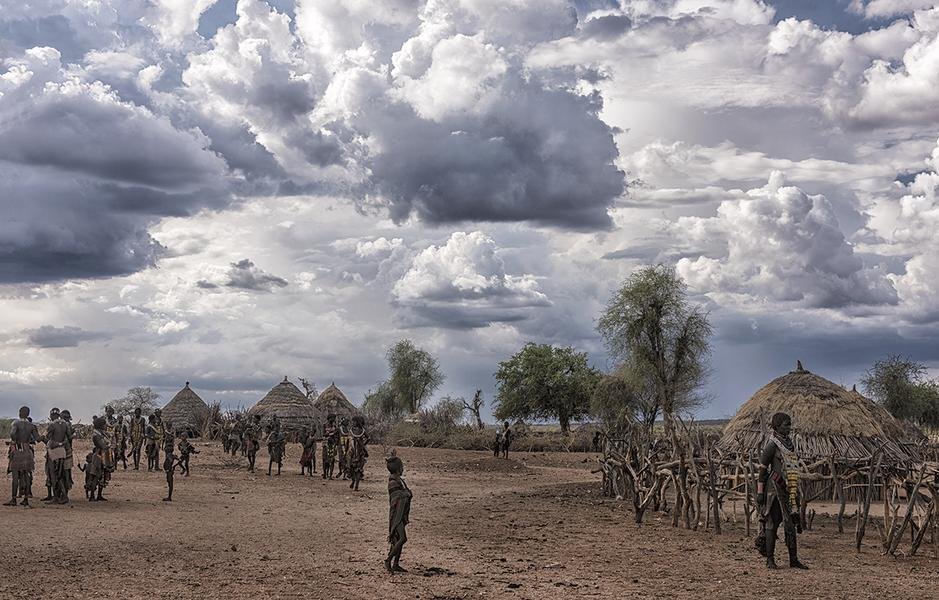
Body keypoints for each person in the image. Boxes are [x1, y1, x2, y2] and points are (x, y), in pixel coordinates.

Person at [757, 412, 808, 570]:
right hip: (775, 491)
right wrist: (760, 493)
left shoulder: (789, 444)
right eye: (786, 424)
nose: (789, 427)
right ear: (777, 426)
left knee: (790, 524)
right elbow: (762, 471)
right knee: (772, 524)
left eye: (790, 424)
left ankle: (793, 559)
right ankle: (770, 560)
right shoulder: (772, 445)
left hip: (789, 491)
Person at [5, 406, 39, 506]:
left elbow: (12, 434)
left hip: (18, 450)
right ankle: (26, 499)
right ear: (28, 414)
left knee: (15, 476)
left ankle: (14, 499)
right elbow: (37, 438)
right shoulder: (31, 425)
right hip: (27, 451)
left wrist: (14, 441)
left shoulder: (15, 423)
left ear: (20, 413)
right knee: (26, 475)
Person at [384, 454, 412, 573]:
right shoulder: (393, 481)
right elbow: (397, 497)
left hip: (401, 513)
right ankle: (388, 559)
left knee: (397, 539)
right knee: (402, 538)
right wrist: (407, 494)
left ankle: (395, 564)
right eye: (402, 466)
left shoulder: (398, 480)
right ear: (398, 469)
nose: (403, 468)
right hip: (396, 515)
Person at [40, 408, 70, 504]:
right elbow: (69, 436)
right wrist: (61, 443)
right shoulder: (65, 424)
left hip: (53, 451)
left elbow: (48, 438)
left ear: (52, 415)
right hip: (62, 451)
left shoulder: (52, 425)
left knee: (53, 474)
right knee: (60, 474)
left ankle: (56, 497)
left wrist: (42, 439)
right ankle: (64, 496)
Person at [89, 416, 113, 501]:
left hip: (104, 457)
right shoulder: (96, 434)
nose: (106, 426)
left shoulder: (102, 433)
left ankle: (99, 495)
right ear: (101, 425)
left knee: (103, 476)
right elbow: (102, 446)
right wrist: (110, 445)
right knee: (96, 476)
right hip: (99, 457)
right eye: (104, 424)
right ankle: (92, 495)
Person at [348, 416, 369, 491]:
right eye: (352, 421)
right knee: (351, 468)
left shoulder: (362, 430)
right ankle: (353, 481)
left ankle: (356, 485)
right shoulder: (351, 430)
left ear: (358, 422)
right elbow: (349, 440)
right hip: (352, 451)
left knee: (359, 469)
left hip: (360, 452)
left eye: (354, 421)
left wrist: (362, 444)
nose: (353, 423)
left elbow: (368, 438)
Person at [60, 409, 75, 499]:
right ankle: (64, 494)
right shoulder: (68, 425)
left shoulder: (61, 424)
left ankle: (63, 495)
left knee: (61, 473)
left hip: (61, 450)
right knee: (66, 472)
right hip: (68, 450)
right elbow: (69, 437)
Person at [322, 415, 338, 480]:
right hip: (325, 444)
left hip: (332, 445)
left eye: (334, 418)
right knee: (325, 460)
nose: (334, 419)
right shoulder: (324, 425)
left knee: (332, 460)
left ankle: (330, 475)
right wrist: (331, 433)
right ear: (329, 418)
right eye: (333, 418)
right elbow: (323, 434)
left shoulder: (335, 426)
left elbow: (336, 436)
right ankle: (325, 474)